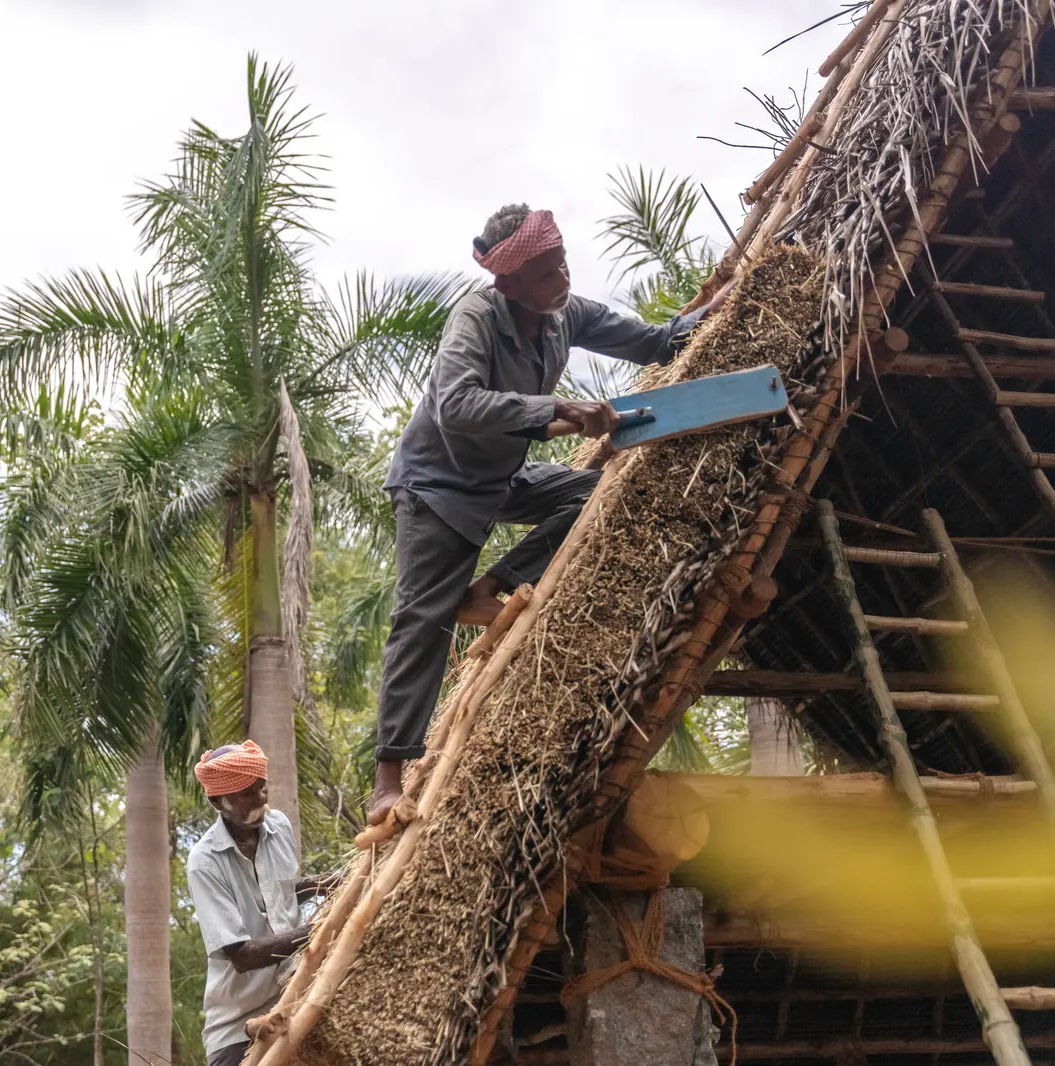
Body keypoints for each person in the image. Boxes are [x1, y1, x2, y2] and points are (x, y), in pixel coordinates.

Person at [367, 204, 729, 826]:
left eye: (561, 263)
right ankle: (388, 778)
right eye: (543, 272)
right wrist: (557, 408)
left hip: (501, 477)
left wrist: (715, 312)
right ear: (507, 282)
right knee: (421, 617)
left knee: (590, 493)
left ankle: (489, 589)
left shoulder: (566, 313)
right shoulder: (475, 318)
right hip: (439, 483)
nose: (560, 278)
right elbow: (455, 406)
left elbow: (652, 341)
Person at [187, 741, 341, 1066]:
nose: (260, 800)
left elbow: (278, 892)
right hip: (238, 1025)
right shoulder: (205, 862)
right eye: (246, 794)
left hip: (295, 993)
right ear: (218, 800)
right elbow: (242, 956)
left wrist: (321, 884)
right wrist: (319, 930)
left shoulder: (280, 827)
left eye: (262, 788)